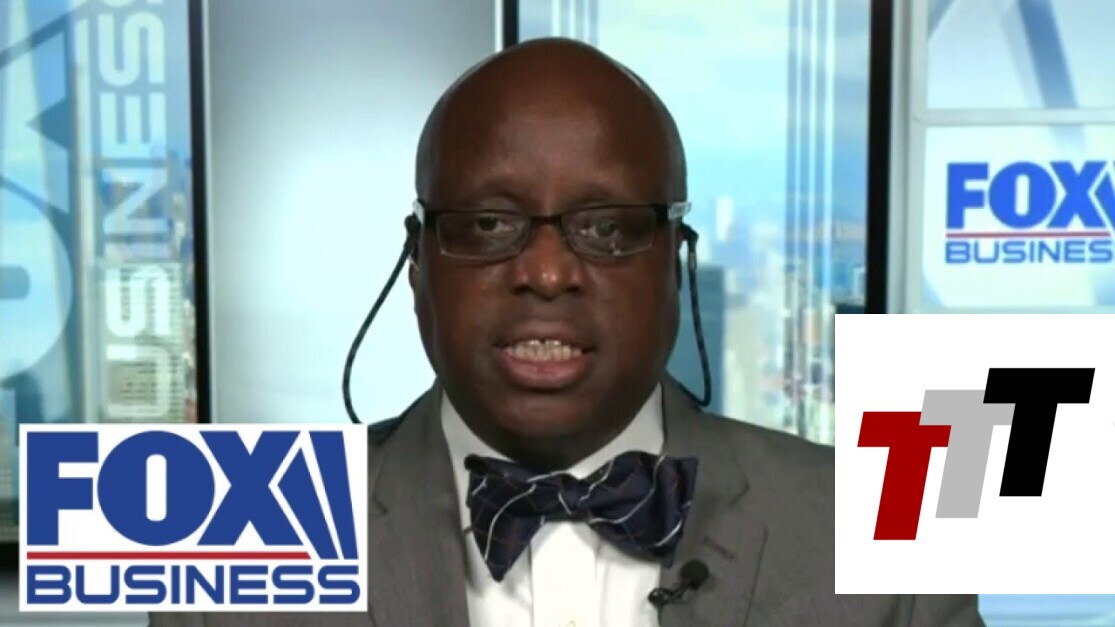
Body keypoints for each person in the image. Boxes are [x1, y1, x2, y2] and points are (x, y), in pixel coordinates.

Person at [152, 38, 983, 626]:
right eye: (487, 223)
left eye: (608, 226)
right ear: (417, 266)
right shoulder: (227, 546)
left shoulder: (886, 533)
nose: (547, 272)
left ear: (674, 262)